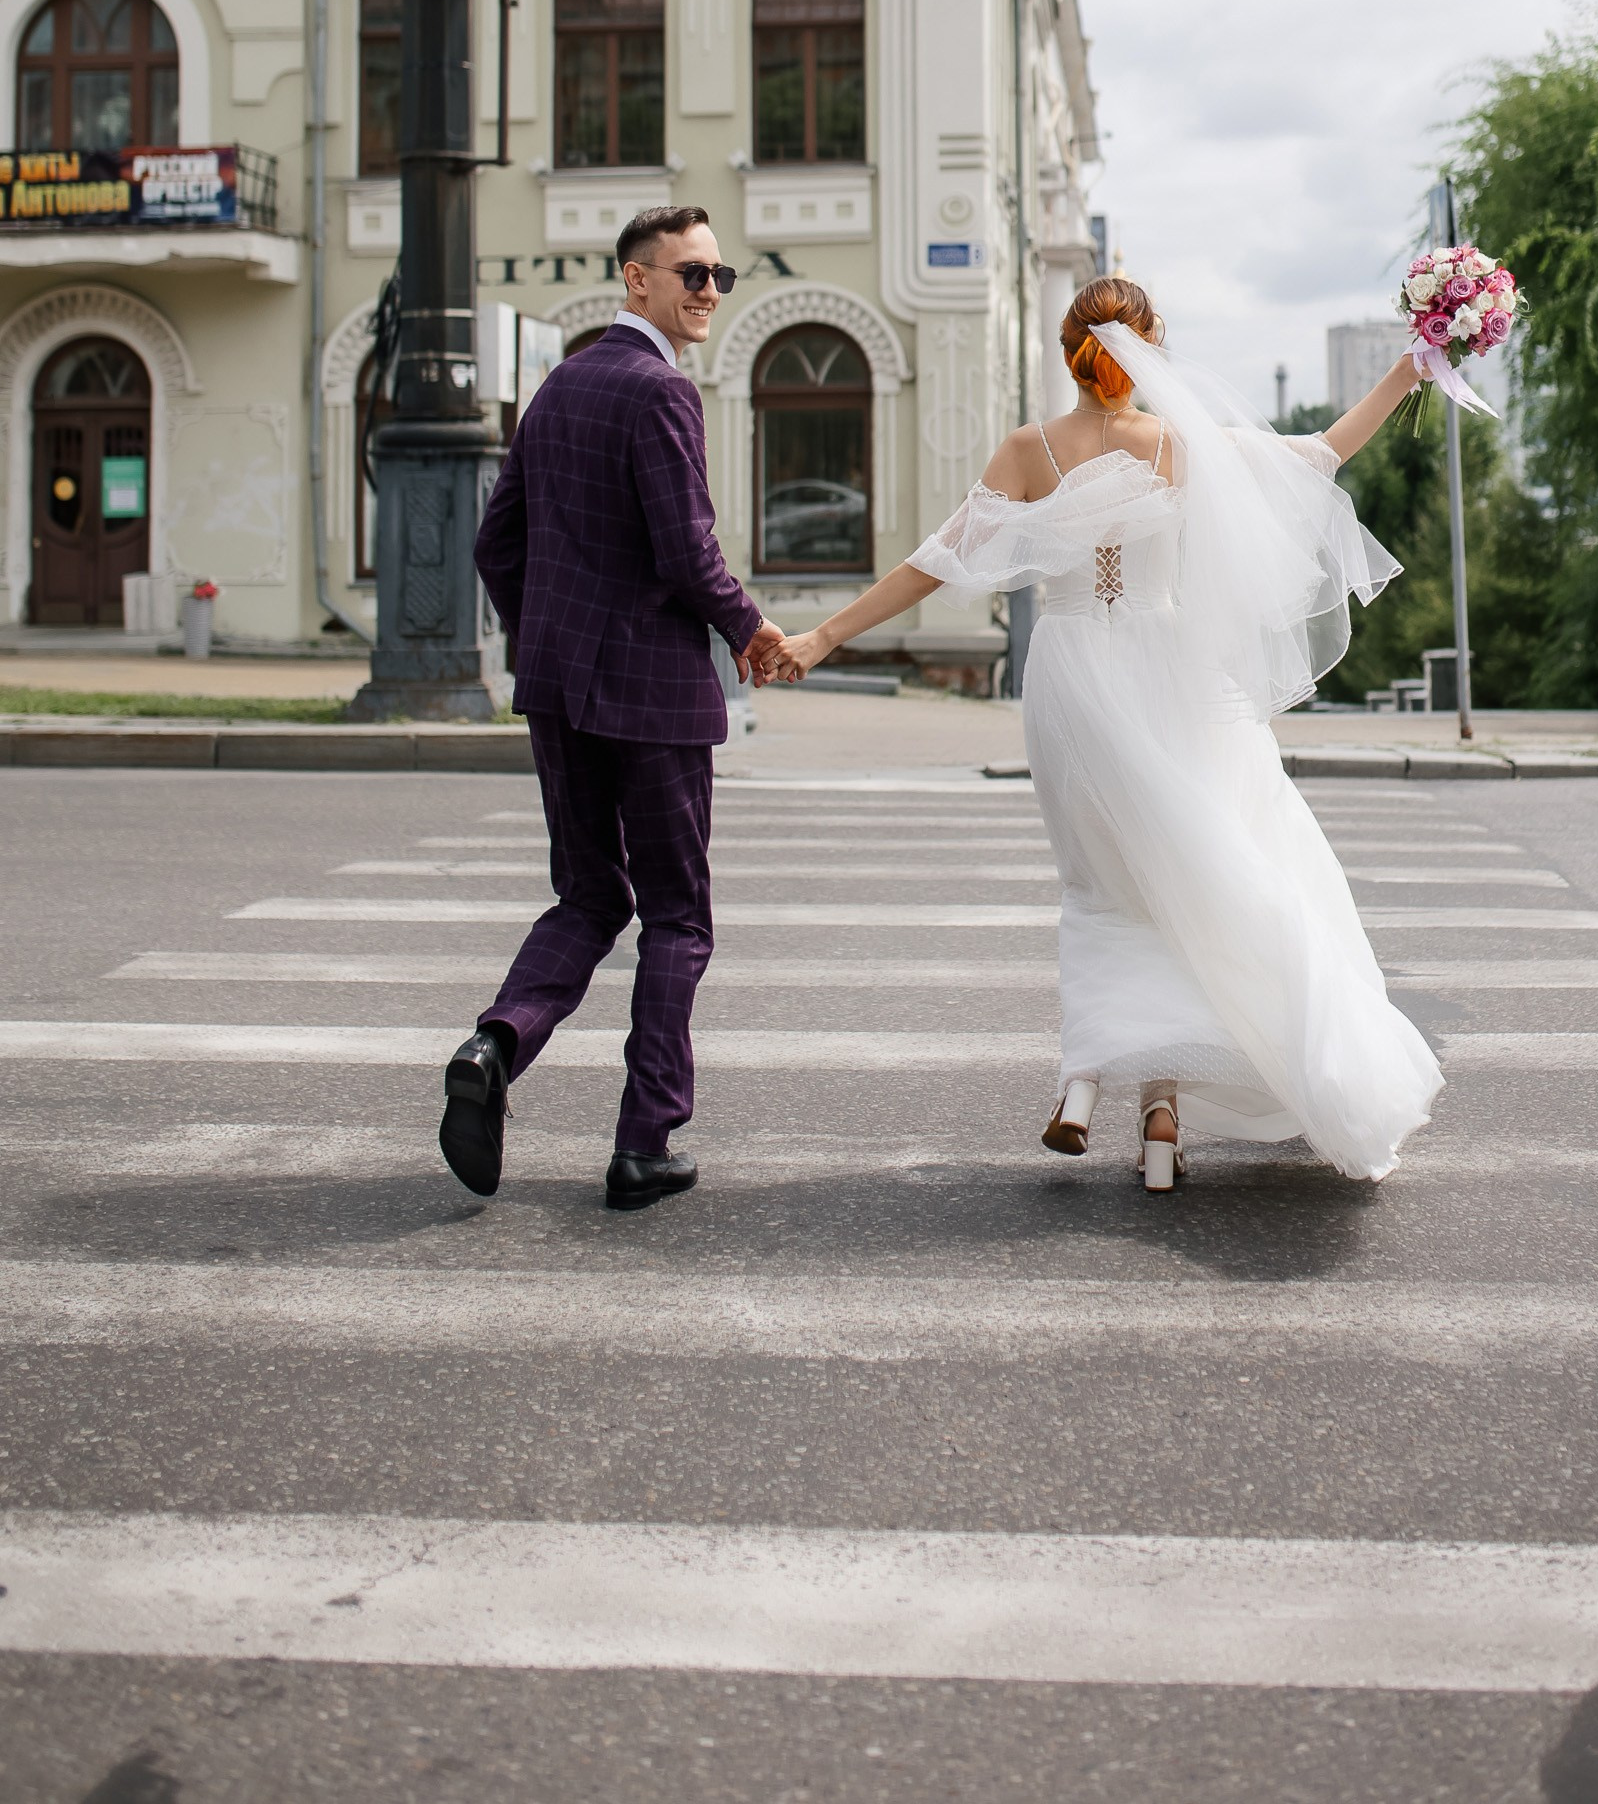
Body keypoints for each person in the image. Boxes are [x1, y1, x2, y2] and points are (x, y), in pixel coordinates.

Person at [776, 275, 1442, 1190]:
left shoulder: (1029, 450)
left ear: (1068, 350)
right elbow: (1321, 455)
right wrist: (1409, 370)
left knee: (1100, 883)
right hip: (1173, 677)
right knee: (1178, 881)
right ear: (1149, 344)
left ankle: (1086, 1079)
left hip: (1073, 672)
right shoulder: (1182, 445)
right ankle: (1158, 1119)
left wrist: (820, 638)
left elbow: (934, 563)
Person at [442, 204, 790, 1212]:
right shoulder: (658, 393)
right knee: (677, 916)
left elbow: (492, 547)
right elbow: (687, 555)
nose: (709, 292)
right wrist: (751, 633)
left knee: (590, 897)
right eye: (690, 274)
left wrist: (543, 637)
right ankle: (644, 1143)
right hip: (652, 697)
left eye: (719, 275)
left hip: (557, 691)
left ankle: (494, 1044)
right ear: (635, 281)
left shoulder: (556, 390)